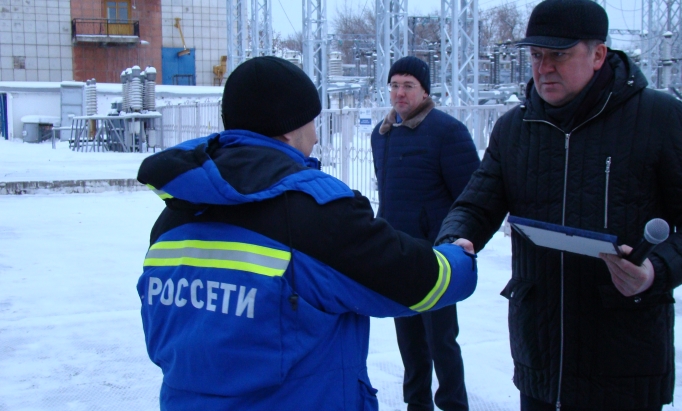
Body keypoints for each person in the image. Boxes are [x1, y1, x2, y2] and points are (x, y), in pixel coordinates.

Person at [136, 56, 478, 411]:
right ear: (288, 129)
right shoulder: (317, 215)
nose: (316, 134)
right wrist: (459, 258)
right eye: (311, 121)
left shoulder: (172, 219)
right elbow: (420, 281)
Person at [436, 0, 682, 410]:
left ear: (598, 55)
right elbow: (476, 205)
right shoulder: (515, 129)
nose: (544, 68)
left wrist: (655, 270)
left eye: (559, 54)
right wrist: (456, 240)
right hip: (540, 359)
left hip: (622, 361)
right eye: (537, 56)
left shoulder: (659, 119)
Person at [371, 56, 480, 411]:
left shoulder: (447, 132)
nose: (399, 93)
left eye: (408, 86)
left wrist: (456, 240)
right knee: (409, 341)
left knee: (441, 341)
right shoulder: (382, 134)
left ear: (425, 91)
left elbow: (472, 195)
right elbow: (389, 193)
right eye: (395, 85)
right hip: (399, 253)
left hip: (437, 257)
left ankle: (453, 404)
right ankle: (416, 404)